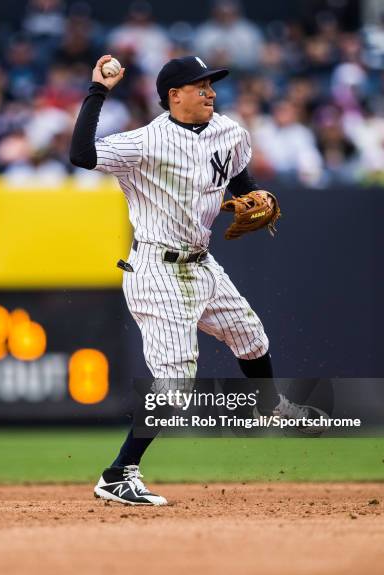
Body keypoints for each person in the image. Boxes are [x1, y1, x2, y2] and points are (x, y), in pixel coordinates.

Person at [70, 54, 327, 506]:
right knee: (175, 384)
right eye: (200, 85)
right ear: (175, 95)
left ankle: (268, 408)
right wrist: (98, 91)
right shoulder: (145, 142)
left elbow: (239, 179)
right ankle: (117, 474)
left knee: (252, 339)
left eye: (212, 83)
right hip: (156, 269)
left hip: (202, 264)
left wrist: (251, 197)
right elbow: (81, 155)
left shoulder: (230, 132)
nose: (210, 91)